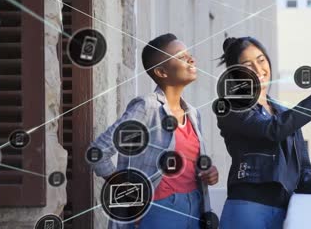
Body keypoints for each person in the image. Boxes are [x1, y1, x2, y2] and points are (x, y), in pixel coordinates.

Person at [217, 37, 311, 229]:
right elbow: (272, 130)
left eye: (261, 60)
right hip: (248, 209)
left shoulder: (284, 113)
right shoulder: (231, 107)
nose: (259, 70)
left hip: (283, 212)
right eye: (247, 65)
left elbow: (302, 177)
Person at [90, 33, 219, 229]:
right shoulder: (147, 107)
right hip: (160, 209)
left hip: (196, 207)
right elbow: (98, 152)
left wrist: (209, 173)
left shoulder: (193, 114)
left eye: (189, 54)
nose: (191, 59)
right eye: (181, 57)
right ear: (161, 72)